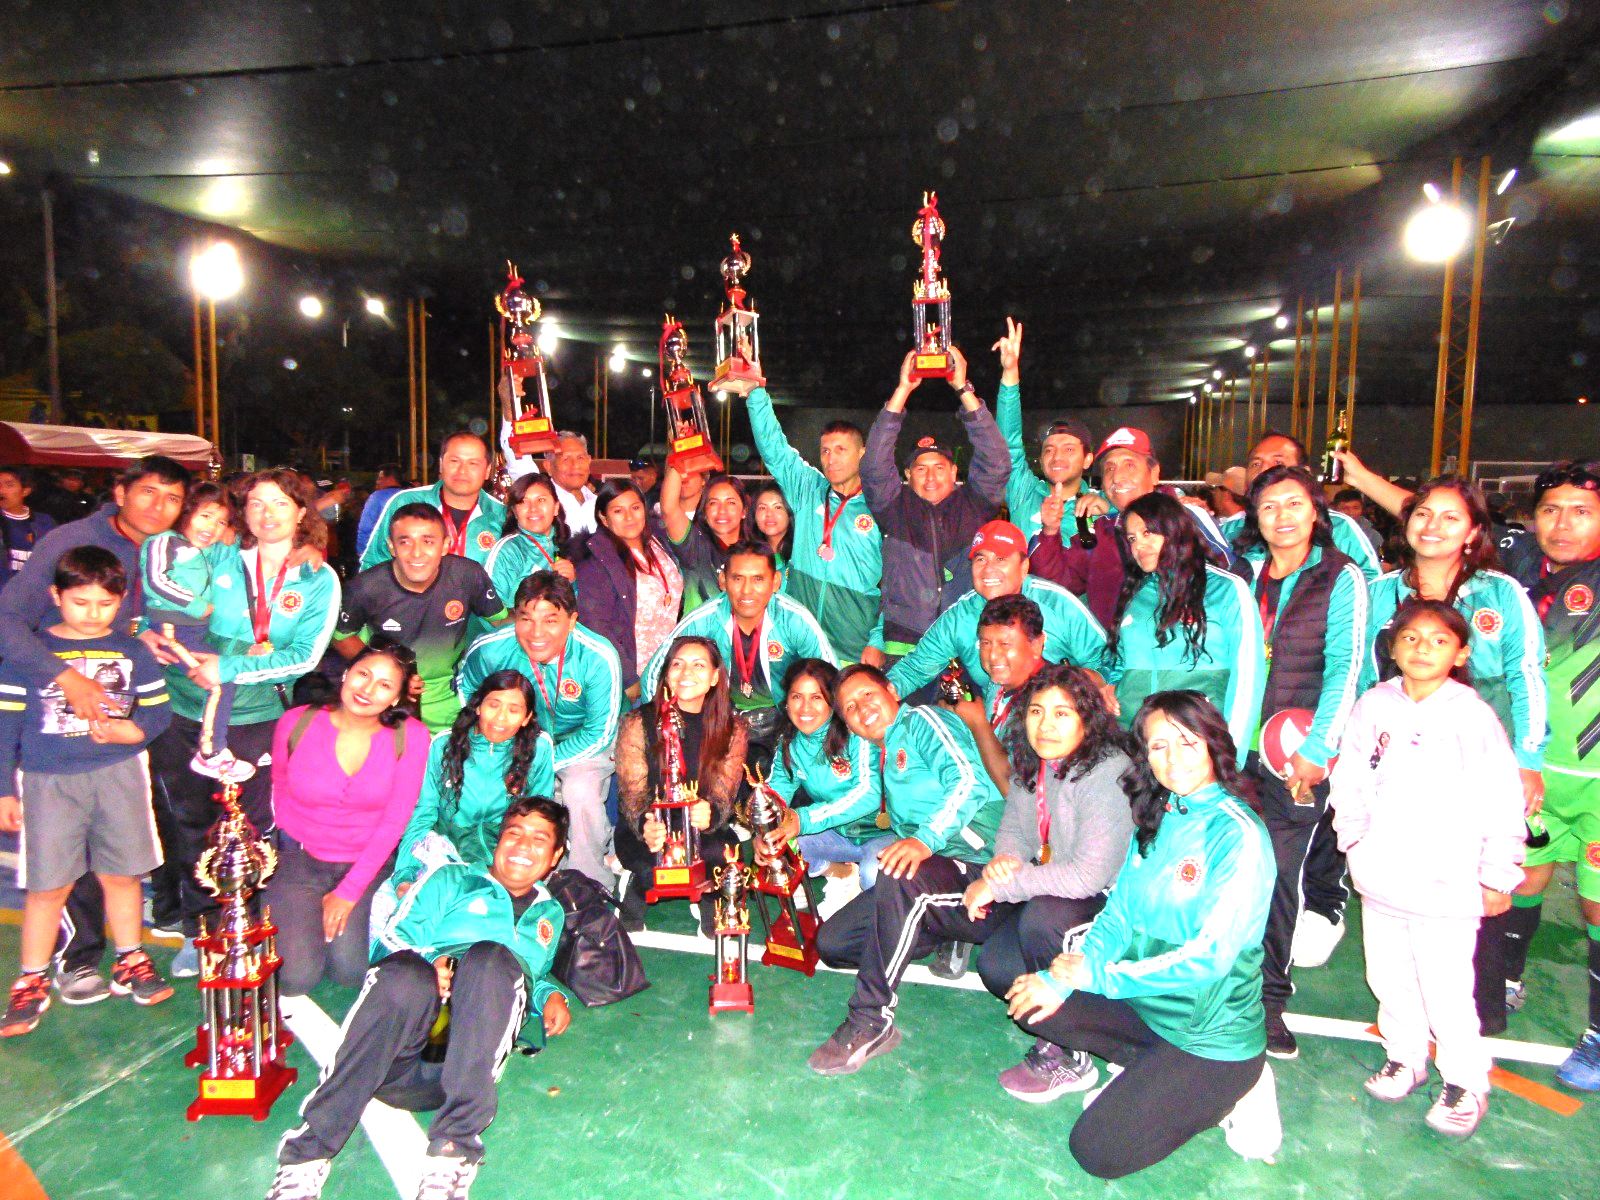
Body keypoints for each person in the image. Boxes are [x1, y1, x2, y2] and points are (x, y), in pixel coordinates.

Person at [1004, 691, 1279, 1177]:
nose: (1173, 758)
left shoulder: (1238, 835)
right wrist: (1064, 980)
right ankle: (1150, 1073)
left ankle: (1241, 1089)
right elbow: (1118, 917)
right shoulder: (1160, 815)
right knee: (1027, 994)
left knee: (1097, 1152)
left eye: (1186, 742)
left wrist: (1097, 977)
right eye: (1157, 746)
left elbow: (1210, 957)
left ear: (1212, 743)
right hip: (1145, 1008)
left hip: (1207, 1037)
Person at [265, 798, 572, 1200]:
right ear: (498, 840)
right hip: (394, 1054)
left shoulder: (551, 913)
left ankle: (452, 1155)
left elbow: (531, 973)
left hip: (462, 1069)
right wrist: (431, 961)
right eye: (514, 833)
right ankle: (305, 1156)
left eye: (539, 839)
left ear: (556, 855)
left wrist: (548, 994)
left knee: (493, 960)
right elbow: (391, 941)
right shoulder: (451, 879)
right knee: (405, 975)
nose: (522, 846)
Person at [1331, 600, 1525, 1137]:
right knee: (1388, 977)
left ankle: (1465, 1081)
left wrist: (1498, 870)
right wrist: (1355, 838)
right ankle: (1406, 1056)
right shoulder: (1374, 704)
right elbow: (1350, 775)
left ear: (1461, 653)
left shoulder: (1471, 715)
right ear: (1393, 646)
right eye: (1411, 638)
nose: (1422, 649)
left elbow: (1502, 795)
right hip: (1381, 877)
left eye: (1439, 641)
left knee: (1445, 988)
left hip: (1447, 883)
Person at [1359, 475, 1546, 1033]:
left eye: (1450, 517)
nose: (1432, 526)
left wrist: (1528, 759)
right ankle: (1407, 1018)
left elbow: (1525, 673)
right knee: (1401, 896)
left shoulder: (1499, 593)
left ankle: (1475, 1019)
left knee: (1478, 889)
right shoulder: (1381, 592)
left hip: (1480, 770)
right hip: (1399, 772)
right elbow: (1363, 677)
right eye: (1422, 514)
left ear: (1472, 531)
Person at [0, 454, 188, 1003]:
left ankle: (140, 946)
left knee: (131, 846)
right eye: (148, 491)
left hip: (130, 720)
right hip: (53, 723)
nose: (159, 506)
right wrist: (64, 676)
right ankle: (76, 957)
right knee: (59, 868)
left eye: (172, 498)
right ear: (121, 492)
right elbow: (8, 622)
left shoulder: (172, 549)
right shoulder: (72, 542)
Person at [154, 468, 341, 978]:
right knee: (191, 823)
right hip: (185, 711)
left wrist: (229, 666)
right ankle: (202, 929)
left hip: (256, 717)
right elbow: (163, 596)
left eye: (280, 503)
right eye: (256, 503)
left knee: (252, 827)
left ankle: (250, 925)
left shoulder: (317, 577)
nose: (267, 513)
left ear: (300, 512)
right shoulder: (218, 558)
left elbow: (304, 658)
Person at [805, 664, 1007, 1074]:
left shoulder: (923, 721)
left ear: (891, 691)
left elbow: (969, 781)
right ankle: (944, 934)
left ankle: (870, 1021)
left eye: (867, 694)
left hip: (990, 875)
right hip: (944, 878)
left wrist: (924, 839)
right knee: (834, 944)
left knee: (896, 875)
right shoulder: (883, 754)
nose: (861, 708)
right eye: (849, 708)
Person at [1232, 465, 1368, 1058]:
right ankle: (1212, 986)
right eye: (1268, 506)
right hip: (1231, 751)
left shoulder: (1341, 576)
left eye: (1294, 504)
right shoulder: (1242, 574)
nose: (1281, 516)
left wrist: (1318, 751)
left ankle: (1266, 1004)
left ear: (1316, 511)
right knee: (1225, 868)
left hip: (1295, 756)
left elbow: (1347, 666)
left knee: (1278, 875)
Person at [966, 662, 1135, 1102]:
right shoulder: (1035, 760)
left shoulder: (1108, 770)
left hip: (1112, 906)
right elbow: (1015, 826)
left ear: (1087, 718)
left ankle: (1071, 1054)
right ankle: (1070, 1015)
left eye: (1062, 713)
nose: (1046, 725)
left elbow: (1088, 875)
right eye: (1037, 712)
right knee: (997, 967)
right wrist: (1005, 860)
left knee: (1041, 919)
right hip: (1063, 891)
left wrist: (1000, 886)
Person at [1498, 461, 1600, 1088]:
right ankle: (1506, 977)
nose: (1563, 524)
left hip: (1597, 784)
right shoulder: (1518, 568)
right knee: (1522, 878)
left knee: (1597, 906)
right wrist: (1357, 474)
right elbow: (1430, 515)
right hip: (1531, 771)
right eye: (1551, 510)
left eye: (1581, 512)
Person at [269, 637, 430, 996]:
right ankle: (295, 915)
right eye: (363, 674)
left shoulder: (412, 737)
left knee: (350, 970)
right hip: (299, 859)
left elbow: (395, 821)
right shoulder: (297, 721)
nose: (368, 689)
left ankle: (320, 924)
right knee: (295, 978)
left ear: (396, 698)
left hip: (366, 863)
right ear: (345, 673)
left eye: (385, 685)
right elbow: (278, 787)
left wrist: (348, 891)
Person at [457, 571, 622, 889]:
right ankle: (502, 875)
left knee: (579, 790)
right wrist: (501, 745)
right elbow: (468, 694)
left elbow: (599, 732)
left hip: (582, 740)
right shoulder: (491, 650)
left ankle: (588, 883)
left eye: (550, 620)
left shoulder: (597, 657)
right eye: (526, 619)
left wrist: (540, 761)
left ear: (571, 621)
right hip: (519, 737)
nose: (536, 633)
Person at [863, 344, 1009, 662]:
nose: (931, 477)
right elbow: (873, 467)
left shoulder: (974, 503)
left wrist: (963, 387)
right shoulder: (894, 508)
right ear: (907, 474)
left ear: (954, 472)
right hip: (905, 646)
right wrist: (903, 390)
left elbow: (997, 461)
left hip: (966, 640)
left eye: (940, 468)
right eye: (921, 469)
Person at [1099, 492, 1265, 752]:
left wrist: (1231, 757)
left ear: (1174, 530)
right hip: (1131, 745)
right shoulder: (1137, 595)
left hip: (1194, 747)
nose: (1139, 545)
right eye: (1132, 538)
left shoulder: (1225, 590)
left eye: (1147, 533)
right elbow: (1120, 663)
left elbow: (1248, 682)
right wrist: (1109, 684)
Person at [1031, 426, 1234, 629]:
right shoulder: (1101, 530)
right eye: (1109, 468)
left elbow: (1229, 580)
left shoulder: (1187, 517)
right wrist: (1050, 531)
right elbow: (1061, 583)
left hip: (1185, 643)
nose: (1117, 477)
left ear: (1154, 473)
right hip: (1114, 648)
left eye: (1129, 465)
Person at [742, 378, 886, 665]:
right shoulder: (809, 490)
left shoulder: (882, 507)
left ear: (862, 453)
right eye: (825, 451)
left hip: (853, 647)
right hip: (801, 642)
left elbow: (897, 585)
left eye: (841, 450)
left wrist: (878, 639)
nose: (831, 459)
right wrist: (755, 392)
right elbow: (775, 450)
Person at [888, 520, 1108, 707]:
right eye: (981, 559)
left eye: (1001, 559)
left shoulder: (1058, 605)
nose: (988, 569)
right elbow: (914, 668)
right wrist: (880, 694)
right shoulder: (961, 616)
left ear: (1024, 567)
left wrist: (1076, 687)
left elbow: (1108, 663)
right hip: (999, 718)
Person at [642, 540, 835, 752]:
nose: (747, 591)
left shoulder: (794, 620)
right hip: (721, 721)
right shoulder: (704, 620)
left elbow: (831, 679)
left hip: (785, 720)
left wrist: (821, 741)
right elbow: (654, 673)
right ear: (723, 581)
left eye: (758, 579)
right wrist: (665, 730)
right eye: (737, 578)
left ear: (775, 581)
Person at [333, 502, 504, 733]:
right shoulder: (366, 587)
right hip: (387, 698)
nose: (416, 552)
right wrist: (394, 673)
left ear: (445, 545)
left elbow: (500, 620)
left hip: (450, 695)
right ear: (391, 546)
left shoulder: (467, 575)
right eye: (405, 542)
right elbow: (341, 637)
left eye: (428, 541)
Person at [615, 636, 749, 929]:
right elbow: (632, 793)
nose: (687, 672)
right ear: (666, 674)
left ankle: (709, 896)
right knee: (654, 862)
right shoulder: (637, 722)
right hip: (650, 827)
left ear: (715, 677)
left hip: (700, 829)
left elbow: (725, 793)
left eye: (699, 665)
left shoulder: (733, 728)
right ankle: (637, 884)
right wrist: (646, 826)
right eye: (677, 664)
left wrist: (711, 812)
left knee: (724, 857)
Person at [391, 671, 554, 896]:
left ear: (526, 718)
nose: (501, 718)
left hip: (504, 847)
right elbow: (424, 812)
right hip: (448, 846)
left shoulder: (539, 748)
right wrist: (405, 875)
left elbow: (540, 818)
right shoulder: (444, 745)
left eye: (514, 710)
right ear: (478, 707)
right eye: (493, 705)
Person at [140, 481, 248, 779]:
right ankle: (211, 752)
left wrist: (231, 532)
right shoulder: (165, 541)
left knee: (220, 673)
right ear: (186, 512)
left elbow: (241, 545)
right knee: (218, 680)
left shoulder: (203, 549)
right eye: (206, 516)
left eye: (221, 521)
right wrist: (198, 606)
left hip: (194, 632)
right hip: (172, 631)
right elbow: (157, 580)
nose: (212, 526)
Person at [761, 659, 888, 900]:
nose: (805, 708)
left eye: (816, 697)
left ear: (833, 702)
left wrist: (804, 819)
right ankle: (842, 875)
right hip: (837, 834)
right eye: (797, 697)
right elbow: (777, 789)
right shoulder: (790, 742)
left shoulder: (856, 733)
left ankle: (863, 881)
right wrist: (766, 828)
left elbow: (869, 793)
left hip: (882, 833)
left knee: (874, 877)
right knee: (779, 846)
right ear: (786, 702)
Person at [1218, 432, 1381, 579]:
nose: (1264, 470)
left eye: (1278, 462)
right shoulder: (1229, 532)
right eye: (1255, 464)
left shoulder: (1338, 528)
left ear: (1304, 473)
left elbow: (1370, 584)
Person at [574, 479, 684, 697]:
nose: (629, 517)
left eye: (635, 508)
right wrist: (627, 679)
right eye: (618, 511)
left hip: (669, 669)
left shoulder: (658, 541)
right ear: (603, 518)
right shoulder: (596, 559)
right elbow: (596, 624)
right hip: (633, 678)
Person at [991, 319, 1096, 542]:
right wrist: (1010, 372)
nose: (1057, 456)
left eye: (1069, 449)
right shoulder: (1025, 494)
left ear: (1088, 459)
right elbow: (1007, 444)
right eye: (1049, 450)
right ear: (1040, 459)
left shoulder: (1102, 507)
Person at [361, 432, 506, 570]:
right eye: (454, 461)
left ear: (487, 470)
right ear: (441, 464)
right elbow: (374, 563)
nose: (462, 471)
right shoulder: (405, 502)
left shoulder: (501, 516)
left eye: (473, 463)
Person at [660, 466, 745, 615]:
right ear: (704, 512)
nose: (722, 510)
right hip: (699, 629)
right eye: (713, 503)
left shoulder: (754, 551)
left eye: (731, 502)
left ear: (744, 511)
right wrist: (681, 459)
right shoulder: (694, 545)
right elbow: (669, 508)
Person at [484, 472, 575, 606]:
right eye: (523, 502)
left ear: (556, 508)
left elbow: (572, 609)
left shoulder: (566, 548)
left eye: (541, 500)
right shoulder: (509, 551)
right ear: (515, 512)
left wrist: (572, 583)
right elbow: (489, 608)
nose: (533, 508)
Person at [0, 465, 55, 592]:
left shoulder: (45, 523)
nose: (2, 491)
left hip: (33, 594)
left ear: (25, 491)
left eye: (9, 485)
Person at [544, 431, 597, 536]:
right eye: (566, 459)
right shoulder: (543, 507)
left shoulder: (601, 504)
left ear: (589, 461)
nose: (575, 465)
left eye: (580, 458)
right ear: (548, 466)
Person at [354, 463, 404, 559]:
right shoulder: (409, 496)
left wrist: (362, 552)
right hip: (403, 552)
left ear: (390, 478)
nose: (377, 482)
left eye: (380, 478)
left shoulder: (377, 497)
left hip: (380, 555)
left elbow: (365, 527)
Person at [745, 481, 793, 573]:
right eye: (762, 508)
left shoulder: (802, 555)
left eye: (778, 507)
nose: (769, 514)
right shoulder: (747, 556)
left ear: (789, 513)